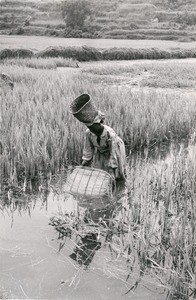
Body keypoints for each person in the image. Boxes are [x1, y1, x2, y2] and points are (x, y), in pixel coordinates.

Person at [70, 94, 127, 182]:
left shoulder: (109, 134)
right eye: (89, 128)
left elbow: (113, 156)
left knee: (117, 173)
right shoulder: (88, 133)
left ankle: (119, 185)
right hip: (102, 152)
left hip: (116, 150)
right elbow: (88, 152)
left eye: (93, 127)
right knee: (100, 174)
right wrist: (83, 166)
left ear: (99, 124)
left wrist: (112, 167)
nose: (91, 129)